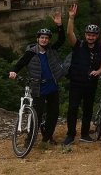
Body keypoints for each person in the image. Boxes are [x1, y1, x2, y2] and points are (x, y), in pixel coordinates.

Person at [9, 10, 66, 145]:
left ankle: (47, 137)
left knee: (53, 113)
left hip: (52, 86)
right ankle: (30, 139)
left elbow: (62, 40)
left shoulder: (51, 49)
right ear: (37, 39)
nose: (44, 39)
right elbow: (19, 64)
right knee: (37, 115)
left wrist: (59, 25)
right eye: (42, 37)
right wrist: (13, 71)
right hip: (38, 88)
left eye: (46, 38)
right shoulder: (31, 53)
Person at [62, 4, 101, 146]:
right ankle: (70, 135)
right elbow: (69, 34)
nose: (90, 37)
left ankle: (85, 134)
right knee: (73, 108)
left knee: (88, 109)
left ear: (96, 36)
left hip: (91, 83)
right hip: (76, 82)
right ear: (85, 35)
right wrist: (71, 18)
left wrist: (97, 72)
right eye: (88, 35)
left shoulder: (100, 49)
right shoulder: (79, 45)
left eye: (93, 35)